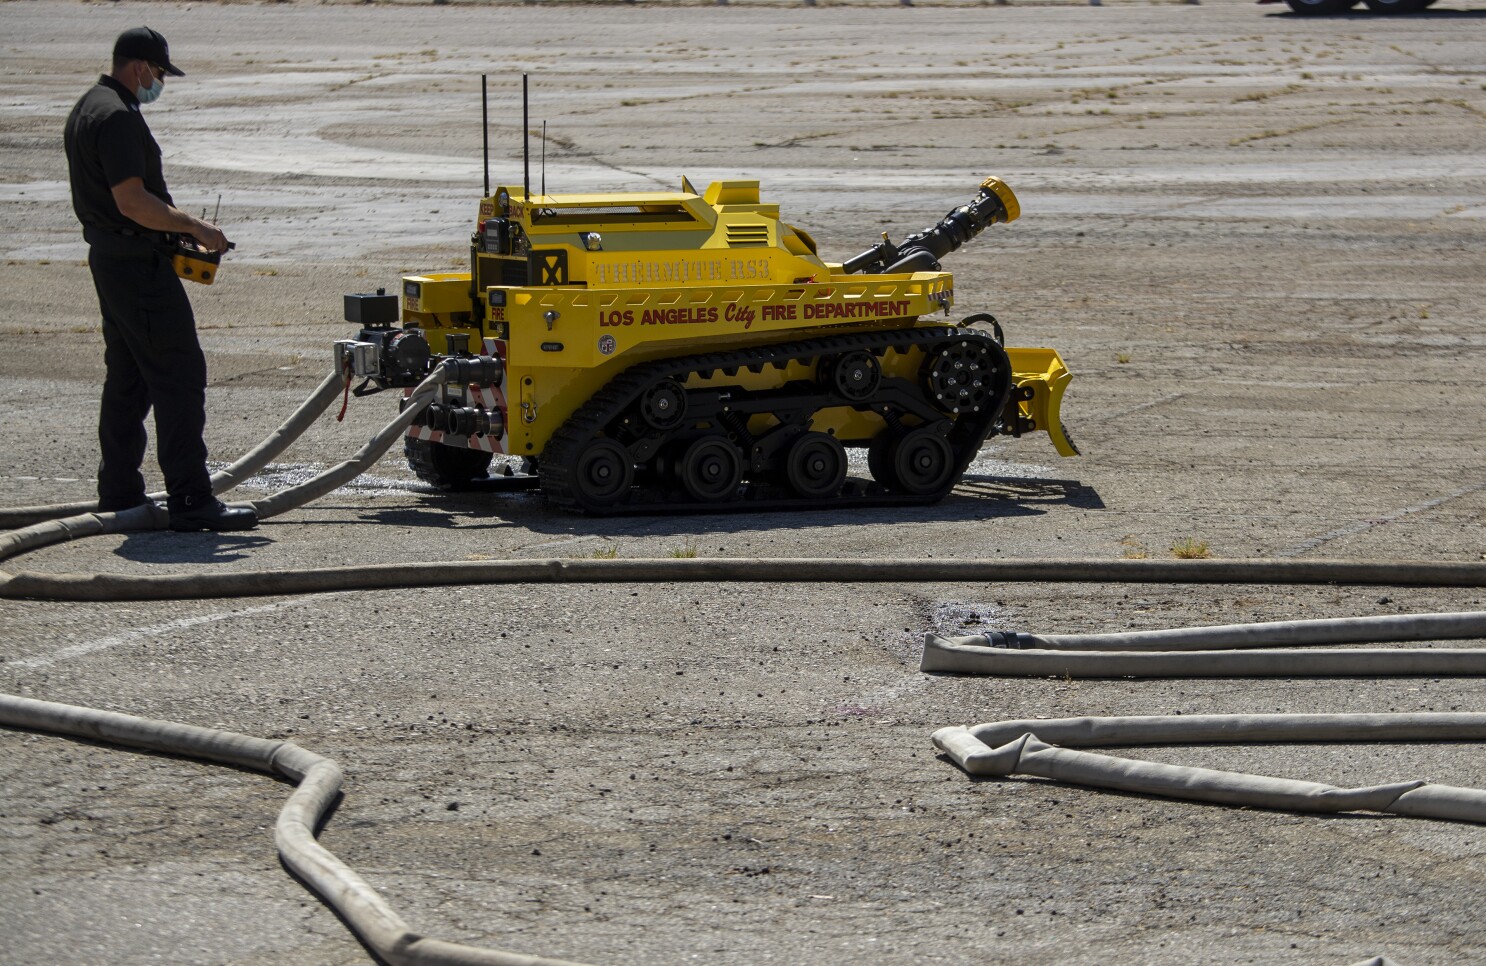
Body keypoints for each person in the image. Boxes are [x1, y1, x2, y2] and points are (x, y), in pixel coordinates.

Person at [63, 26, 256, 532]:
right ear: (140, 67)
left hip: (110, 258)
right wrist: (195, 226)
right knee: (178, 375)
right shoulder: (119, 117)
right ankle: (191, 497)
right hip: (135, 264)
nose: (159, 83)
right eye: (159, 73)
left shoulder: (88, 105)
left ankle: (119, 491)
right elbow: (132, 201)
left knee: (128, 377)